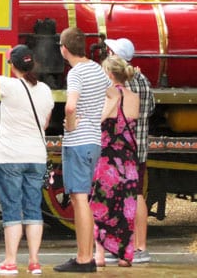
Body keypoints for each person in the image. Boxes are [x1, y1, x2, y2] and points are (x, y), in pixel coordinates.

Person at [0, 28, 54, 275]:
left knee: (12, 208)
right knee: (33, 208)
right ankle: (34, 261)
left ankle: (10, 261)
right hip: (36, 157)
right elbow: (44, 123)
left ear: (12, 65)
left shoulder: (10, 86)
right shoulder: (45, 91)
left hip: (10, 157)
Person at [54, 27, 110, 274]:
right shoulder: (97, 69)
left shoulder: (76, 73)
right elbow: (114, 96)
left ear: (64, 49)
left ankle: (84, 257)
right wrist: (98, 119)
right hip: (94, 140)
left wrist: (74, 122)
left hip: (78, 141)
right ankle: (85, 254)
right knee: (83, 199)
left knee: (79, 199)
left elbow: (70, 107)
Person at [104, 38, 155, 264]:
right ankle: (139, 246)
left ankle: (130, 247)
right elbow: (151, 106)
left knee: (126, 197)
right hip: (140, 146)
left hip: (123, 147)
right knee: (136, 195)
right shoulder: (142, 79)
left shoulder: (123, 83)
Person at [90, 54, 140, 267]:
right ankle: (125, 256)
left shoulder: (109, 97)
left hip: (107, 160)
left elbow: (99, 121)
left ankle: (100, 255)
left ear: (109, 74)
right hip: (128, 161)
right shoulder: (134, 97)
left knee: (101, 206)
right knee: (126, 208)